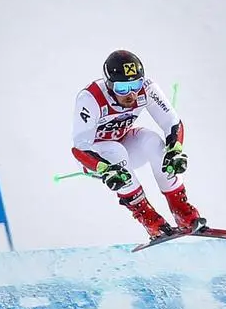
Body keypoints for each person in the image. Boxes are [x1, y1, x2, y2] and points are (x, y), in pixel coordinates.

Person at [71, 49, 204, 239]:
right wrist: (104, 168)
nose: (131, 94)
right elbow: (79, 147)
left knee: (151, 141)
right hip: (94, 158)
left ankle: (182, 211)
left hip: (123, 143)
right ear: (109, 86)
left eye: (135, 85)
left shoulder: (147, 89)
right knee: (115, 151)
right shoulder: (90, 98)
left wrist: (175, 150)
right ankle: (149, 219)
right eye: (122, 89)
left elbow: (171, 122)